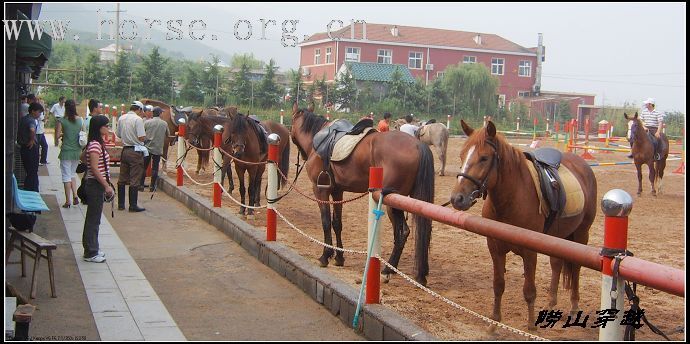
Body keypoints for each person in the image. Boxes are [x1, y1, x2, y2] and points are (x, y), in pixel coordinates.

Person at [82, 115, 114, 263]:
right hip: (95, 184)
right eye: (106, 126)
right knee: (93, 219)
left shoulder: (94, 144)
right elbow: (94, 168)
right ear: (99, 128)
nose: (108, 128)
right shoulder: (95, 145)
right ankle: (90, 251)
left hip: (95, 184)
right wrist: (106, 186)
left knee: (94, 218)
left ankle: (92, 247)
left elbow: (84, 158)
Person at [115, 101, 148, 212]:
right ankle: (133, 205)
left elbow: (118, 134)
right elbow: (141, 137)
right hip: (135, 151)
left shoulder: (121, 118)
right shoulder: (138, 120)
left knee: (122, 177)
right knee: (135, 179)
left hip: (125, 150)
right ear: (139, 109)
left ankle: (120, 204)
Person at [57, 100, 84, 208]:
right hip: (77, 152)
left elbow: (57, 136)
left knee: (66, 176)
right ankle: (75, 195)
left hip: (66, 152)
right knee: (72, 174)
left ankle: (68, 200)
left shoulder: (61, 121)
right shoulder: (80, 120)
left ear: (65, 107)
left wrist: (64, 133)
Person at [140, 107, 170, 192]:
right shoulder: (164, 123)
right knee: (155, 168)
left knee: (144, 167)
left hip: (147, 148)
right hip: (157, 148)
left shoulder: (147, 122)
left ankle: (141, 185)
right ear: (160, 113)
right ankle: (152, 186)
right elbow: (168, 134)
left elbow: (142, 133)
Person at [17, 102, 43, 191]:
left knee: (29, 171)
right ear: (33, 111)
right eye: (39, 112)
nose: (39, 114)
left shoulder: (23, 119)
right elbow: (32, 129)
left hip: (24, 148)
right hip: (30, 149)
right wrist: (32, 140)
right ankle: (32, 190)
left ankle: (29, 189)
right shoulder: (31, 120)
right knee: (32, 172)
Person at [36, 101, 49, 166]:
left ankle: (43, 160)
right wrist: (47, 113)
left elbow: (44, 121)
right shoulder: (40, 113)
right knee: (38, 147)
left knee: (45, 146)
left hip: (41, 131)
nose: (44, 104)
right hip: (38, 132)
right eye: (43, 103)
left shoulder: (41, 113)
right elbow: (44, 120)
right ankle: (38, 161)